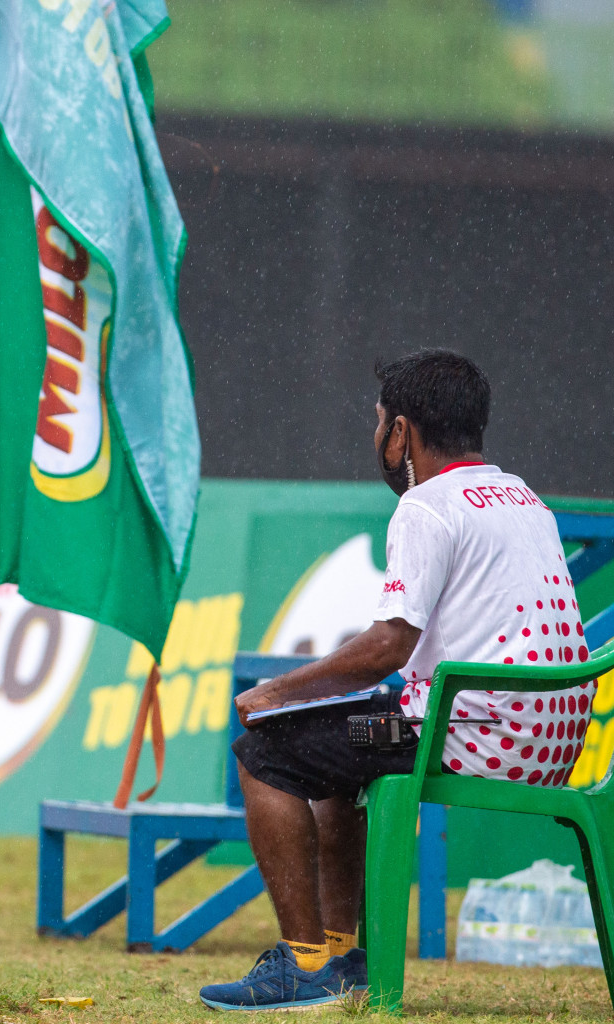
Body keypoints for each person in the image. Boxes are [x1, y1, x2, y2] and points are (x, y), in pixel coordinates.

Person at [199, 350, 592, 1011]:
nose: (377, 438)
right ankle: (338, 956)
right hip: (551, 738)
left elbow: (389, 644)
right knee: (331, 752)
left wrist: (276, 692)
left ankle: (302, 966)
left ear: (402, 433)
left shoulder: (427, 506)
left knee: (266, 749)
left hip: (471, 733)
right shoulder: (522, 496)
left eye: (380, 423)